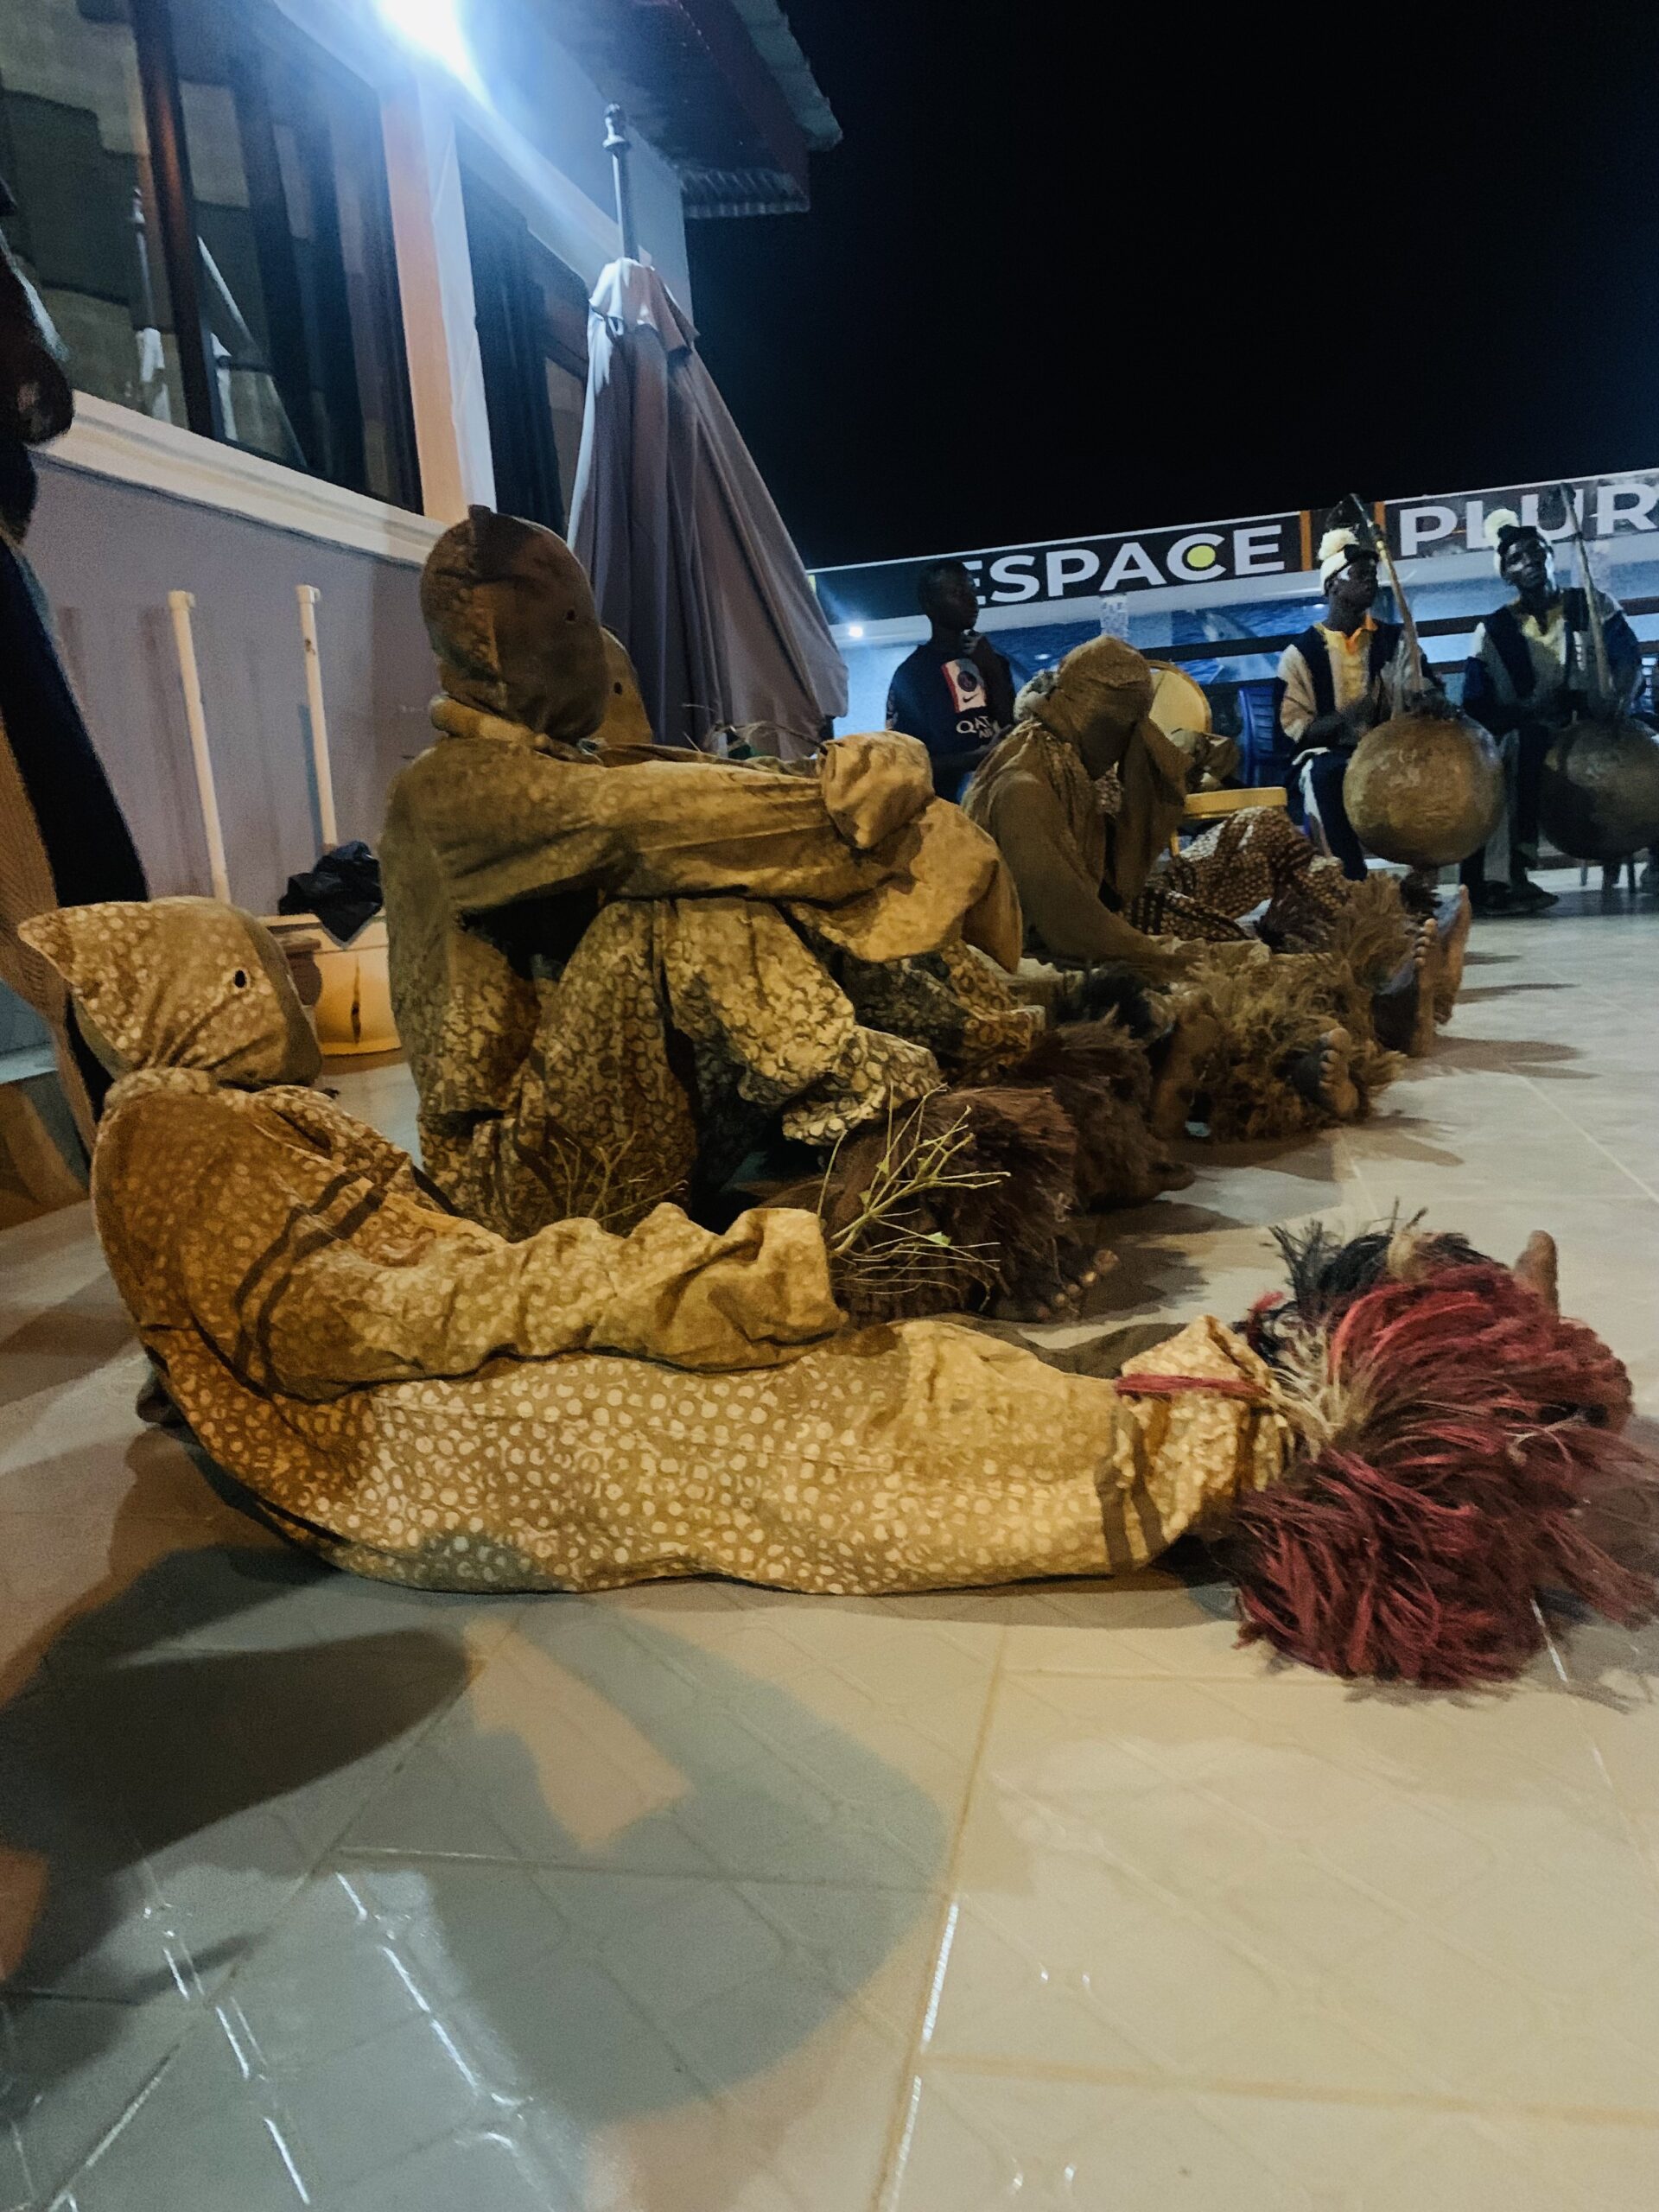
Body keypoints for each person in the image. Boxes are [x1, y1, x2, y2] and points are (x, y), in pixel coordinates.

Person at [25, 891, 1659, 1690]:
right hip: (418, 1431)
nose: (287, 992)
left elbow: (342, 1290)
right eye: (250, 971)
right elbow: (363, 1316)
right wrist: (751, 1267)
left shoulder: (226, 1119)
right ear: (177, 1001)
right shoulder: (175, 1130)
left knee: (864, 1361)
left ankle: (1286, 1403)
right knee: (808, 1419)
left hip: (435, 1356)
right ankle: (1313, 1451)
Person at [1459, 508, 1643, 914]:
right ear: (1506, 575)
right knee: (1512, 749)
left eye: (1535, 553)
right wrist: (1527, 710)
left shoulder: (1593, 604)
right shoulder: (1492, 630)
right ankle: (1506, 876)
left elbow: (1629, 658)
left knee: (1655, 745)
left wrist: (1622, 700)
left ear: (1548, 554)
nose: (1529, 564)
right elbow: (1477, 705)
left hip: (1599, 723)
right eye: (1516, 560)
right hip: (1535, 733)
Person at [1273, 528, 1414, 880]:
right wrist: (1349, 716)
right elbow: (1294, 734)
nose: (1371, 582)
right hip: (1327, 755)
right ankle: (1348, 880)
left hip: (1387, 751)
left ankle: (1423, 879)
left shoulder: (1395, 641)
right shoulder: (1300, 654)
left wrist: (1432, 699)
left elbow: (1419, 688)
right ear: (1333, 584)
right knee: (1323, 773)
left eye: (1373, 575)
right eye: (1360, 575)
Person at [884, 558, 1014, 800]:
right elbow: (903, 762)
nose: (970, 599)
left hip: (999, 799)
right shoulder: (912, 674)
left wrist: (992, 670)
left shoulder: (993, 660)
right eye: (957, 592)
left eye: (972, 591)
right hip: (946, 811)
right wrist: (974, 758)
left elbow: (1014, 730)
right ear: (930, 605)